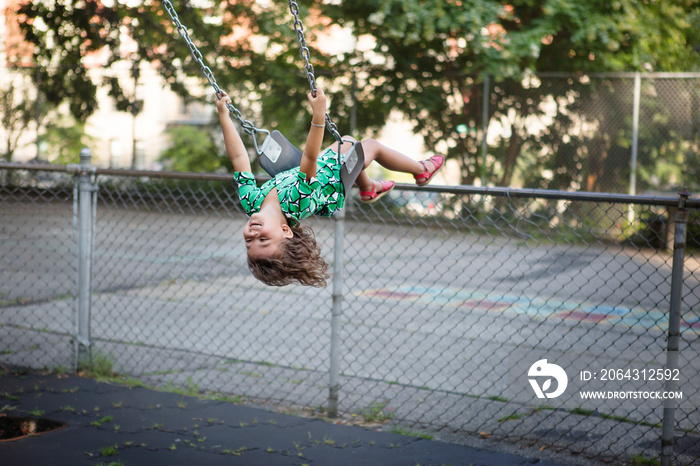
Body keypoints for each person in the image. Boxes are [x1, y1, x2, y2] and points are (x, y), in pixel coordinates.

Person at [216, 88, 444, 288]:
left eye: (249, 241)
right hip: (333, 183)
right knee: (369, 147)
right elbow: (309, 158)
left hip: (317, 169)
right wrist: (318, 115)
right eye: (263, 240)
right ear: (285, 232)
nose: (253, 235)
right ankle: (420, 170)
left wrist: (224, 116)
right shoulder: (295, 202)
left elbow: (238, 158)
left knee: (347, 140)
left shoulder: (251, 202)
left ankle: (368, 188)